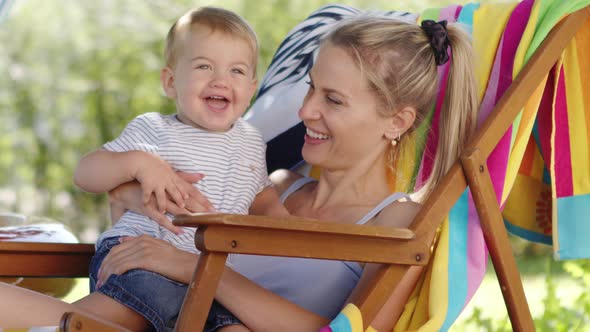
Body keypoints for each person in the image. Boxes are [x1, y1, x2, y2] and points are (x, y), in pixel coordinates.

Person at [0, 13, 478, 332]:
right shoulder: (276, 187)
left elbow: (346, 329)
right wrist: (133, 191)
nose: (307, 111)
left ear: (397, 121)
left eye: (332, 100)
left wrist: (195, 268)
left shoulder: (397, 222)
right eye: (311, 88)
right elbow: (137, 201)